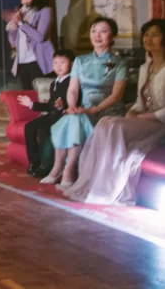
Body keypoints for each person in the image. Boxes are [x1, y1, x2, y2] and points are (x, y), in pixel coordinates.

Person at [63, 19, 165, 205]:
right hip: (144, 119)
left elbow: (121, 96)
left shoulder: (120, 63)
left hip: (160, 122)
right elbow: (140, 102)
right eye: (146, 34)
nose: (148, 39)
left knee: (113, 124)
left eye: (155, 34)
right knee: (107, 122)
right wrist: (133, 113)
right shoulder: (145, 68)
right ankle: (94, 183)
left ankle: (112, 188)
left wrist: (143, 116)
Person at [43, 17, 127, 187]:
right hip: (85, 110)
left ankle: (66, 169)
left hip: (108, 111)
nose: (97, 35)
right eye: (94, 31)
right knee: (71, 117)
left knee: (74, 120)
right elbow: (73, 89)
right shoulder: (81, 61)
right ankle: (61, 167)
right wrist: (72, 105)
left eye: (103, 31)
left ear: (113, 37)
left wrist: (95, 109)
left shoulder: (120, 63)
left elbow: (117, 95)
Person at [17, 49, 77, 178]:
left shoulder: (72, 81)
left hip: (65, 116)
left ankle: (47, 165)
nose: (58, 66)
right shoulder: (54, 83)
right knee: (29, 127)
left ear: (71, 64)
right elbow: (51, 105)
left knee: (44, 129)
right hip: (53, 115)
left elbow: (75, 101)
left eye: (62, 62)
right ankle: (34, 162)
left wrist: (62, 106)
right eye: (55, 63)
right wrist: (32, 104)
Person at [6, 0, 55, 90]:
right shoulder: (21, 12)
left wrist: (21, 23)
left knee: (41, 95)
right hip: (22, 61)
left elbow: (40, 37)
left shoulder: (45, 11)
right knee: (26, 96)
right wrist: (13, 28)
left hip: (38, 61)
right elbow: (13, 42)